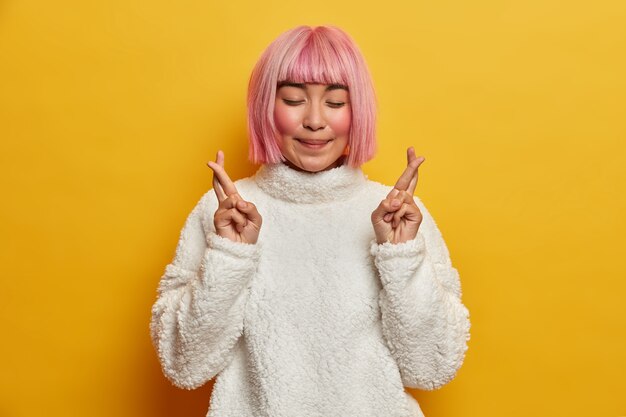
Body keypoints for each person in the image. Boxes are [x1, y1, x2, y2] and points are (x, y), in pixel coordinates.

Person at [149, 25, 470, 417]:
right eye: (294, 100)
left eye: (335, 103)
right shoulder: (224, 214)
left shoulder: (398, 215)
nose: (315, 120)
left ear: (358, 112)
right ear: (266, 106)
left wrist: (400, 255)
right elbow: (185, 366)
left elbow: (432, 367)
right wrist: (230, 255)